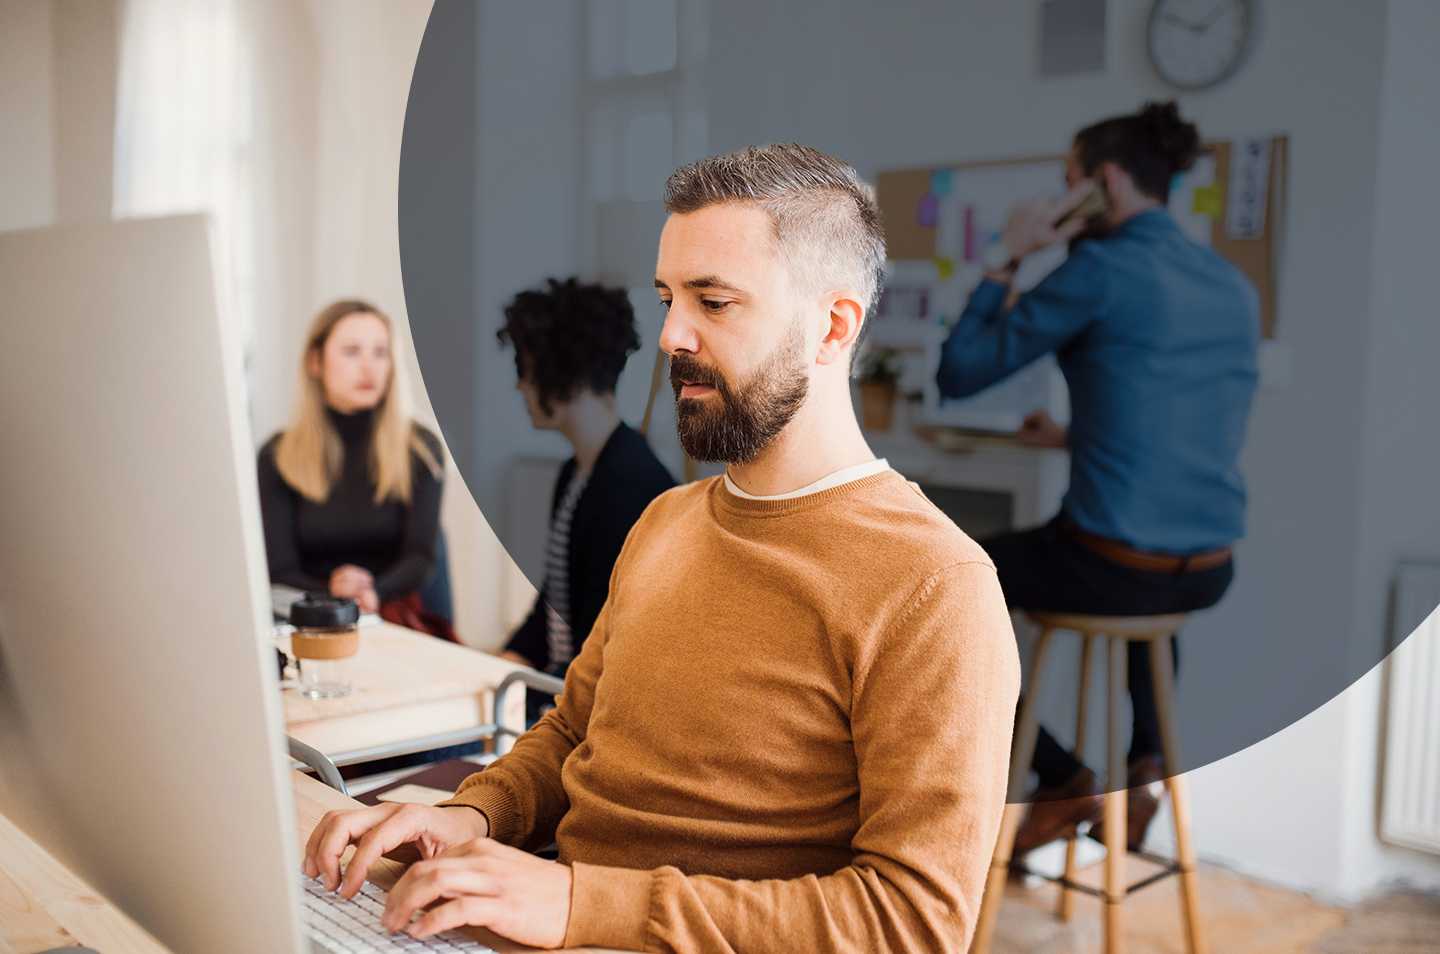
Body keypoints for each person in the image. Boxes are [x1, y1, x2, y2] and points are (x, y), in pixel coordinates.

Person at [303, 144, 1021, 953]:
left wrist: (582, 903)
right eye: (668, 299)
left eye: (714, 302)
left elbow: (912, 925)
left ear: (833, 326)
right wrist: (471, 815)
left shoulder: (935, 585)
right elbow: (573, 734)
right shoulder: (666, 522)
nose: (672, 335)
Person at [936, 102, 1260, 856]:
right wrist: (1075, 439)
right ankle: (1143, 765)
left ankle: (1059, 777)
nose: (1058, 198)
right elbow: (1180, 421)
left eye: (1067, 180)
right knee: (1144, 572)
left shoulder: (1099, 270)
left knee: (931, 590)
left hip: (1111, 567)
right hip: (1208, 570)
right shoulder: (1229, 284)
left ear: (1104, 182)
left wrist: (1008, 257)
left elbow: (960, 372)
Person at [494, 277, 675, 712]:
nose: (521, 386)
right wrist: (509, 659)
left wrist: (519, 687)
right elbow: (557, 598)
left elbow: (606, 646)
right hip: (557, 689)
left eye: (524, 368)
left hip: (586, 708)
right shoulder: (578, 471)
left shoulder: (631, 487)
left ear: (560, 375)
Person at [258, 299, 444, 623]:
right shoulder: (278, 455)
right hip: (305, 615)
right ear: (315, 362)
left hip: (391, 614)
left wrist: (372, 592)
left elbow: (420, 558)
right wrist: (332, 589)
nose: (369, 367)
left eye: (380, 352)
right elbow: (279, 569)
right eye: (352, 351)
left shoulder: (420, 449)